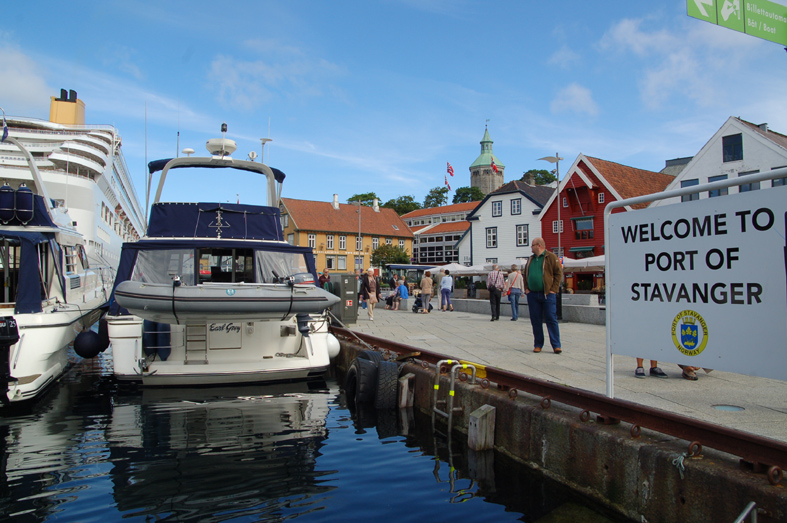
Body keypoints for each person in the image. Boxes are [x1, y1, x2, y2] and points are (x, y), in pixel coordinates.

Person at [524, 237, 562, 354]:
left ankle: (556, 345)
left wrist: (553, 290)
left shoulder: (551, 257)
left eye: (532, 245)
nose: (531, 247)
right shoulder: (530, 259)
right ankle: (538, 344)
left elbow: (558, 274)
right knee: (535, 320)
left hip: (547, 294)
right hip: (533, 294)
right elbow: (526, 274)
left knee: (551, 318)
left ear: (539, 245)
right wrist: (526, 288)